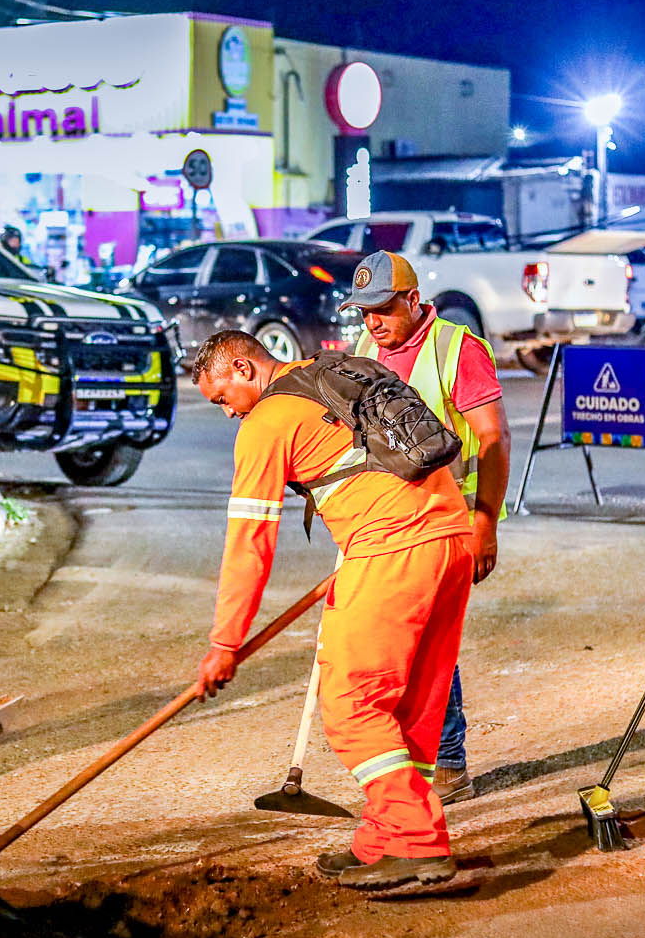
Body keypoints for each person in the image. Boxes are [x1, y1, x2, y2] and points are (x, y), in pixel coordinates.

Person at [191, 330, 473, 890]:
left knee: (352, 704)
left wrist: (225, 643)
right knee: (411, 707)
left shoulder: (267, 423)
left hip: (391, 550)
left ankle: (419, 847)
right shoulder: (329, 374)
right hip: (450, 538)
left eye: (223, 397)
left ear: (245, 368)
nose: (227, 414)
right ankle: (383, 841)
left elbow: (250, 543)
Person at [341, 249, 509, 804]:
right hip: (387, 523)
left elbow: (493, 439)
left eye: (384, 310)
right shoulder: (368, 348)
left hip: (447, 522)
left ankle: (448, 759)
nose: (373, 323)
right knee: (402, 639)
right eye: (365, 312)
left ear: (413, 301)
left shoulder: (457, 349)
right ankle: (423, 757)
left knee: (428, 640)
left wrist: (484, 520)